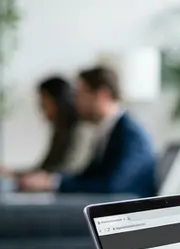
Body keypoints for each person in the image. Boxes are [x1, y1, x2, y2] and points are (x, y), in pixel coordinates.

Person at [17, 65, 158, 197]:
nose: (75, 101)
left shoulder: (130, 135)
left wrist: (54, 183)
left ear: (102, 95)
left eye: (80, 94)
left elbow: (111, 187)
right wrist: (52, 181)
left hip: (129, 215)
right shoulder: (108, 130)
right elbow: (89, 177)